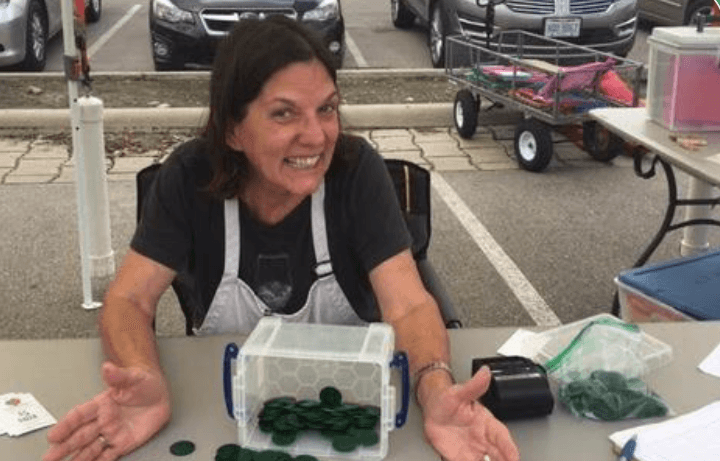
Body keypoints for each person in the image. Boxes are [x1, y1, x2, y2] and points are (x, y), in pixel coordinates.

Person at [42, 16, 519, 461]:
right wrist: (142, 373)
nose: (316, 137)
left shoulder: (357, 172)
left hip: (353, 405)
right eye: (284, 114)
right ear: (232, 130)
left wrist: (435, 388)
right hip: (229, 415)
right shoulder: (187, 178)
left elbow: (409, 305)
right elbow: (128, 299)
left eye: (326, 108)